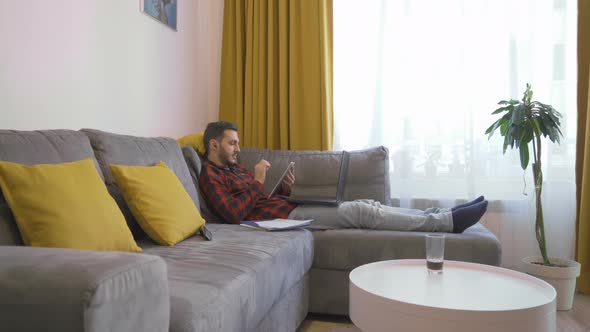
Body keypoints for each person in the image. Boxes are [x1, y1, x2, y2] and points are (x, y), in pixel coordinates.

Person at [198, 121, 488, 233]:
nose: (238, 148)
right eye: (232, 143)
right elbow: (234, 214)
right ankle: (447, 223)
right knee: (363, 211)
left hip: (286, 207)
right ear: (213, 144)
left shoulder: (234, 168)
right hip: (286, 219)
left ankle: (441, 213)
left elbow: (257, 201)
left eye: (237, 142)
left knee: (366, 204)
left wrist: (282, 188)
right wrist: (259, 180)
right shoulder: (210, 175)